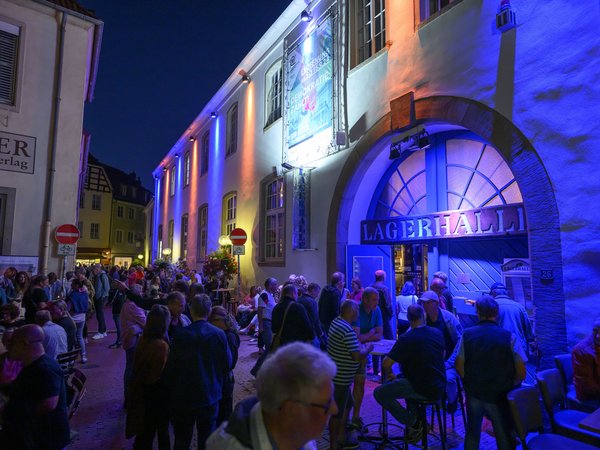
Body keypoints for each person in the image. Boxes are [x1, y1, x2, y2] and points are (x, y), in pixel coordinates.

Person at [207, 342, 338, 450]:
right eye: (326, 404)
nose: (335, 409)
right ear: (291, 411)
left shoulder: (297, 432)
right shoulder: (227, 446)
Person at [456, 295, 526, 450]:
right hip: (500, 395)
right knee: (503, 436)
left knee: (472, 433)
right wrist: (509, 384)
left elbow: (459, 365)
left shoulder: (467, 335)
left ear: (478, 312)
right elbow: (521, 372)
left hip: (475, 392)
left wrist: (468, 382)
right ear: (497, 313)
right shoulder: (509, 337)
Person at [166, 294, 231, 450]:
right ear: (209, 312)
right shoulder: (219, 334)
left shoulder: (180, 335)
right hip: (210, 393)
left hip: (184, 395)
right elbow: (227, 364)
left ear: (191, 310)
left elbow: (171, 367)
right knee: (207, 439)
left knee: (182, 439)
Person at [374, 304, 446, 443]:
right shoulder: (437, 333)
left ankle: (414, 423)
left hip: (420, 386)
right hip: (439, 384)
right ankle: (415, 428)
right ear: (423, 316)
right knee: (405, 381)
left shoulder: (406, 338)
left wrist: (390, 375)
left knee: (380, 393)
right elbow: (442, 355)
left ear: (408, 319)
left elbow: (386, 364)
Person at [0, 324, 70, 449]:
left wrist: (10, 411)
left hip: (46, 439)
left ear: (24, 343)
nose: (8, 347)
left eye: (12, 344)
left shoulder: (45, 368)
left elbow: (49, 404)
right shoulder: (29, 365)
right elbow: (25, 390)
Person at [327, 300, 373, 449]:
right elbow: (356, 356)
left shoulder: (336, 322)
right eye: (357, 311)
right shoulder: (347, 330)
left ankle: (342, 436)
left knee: (349, 404)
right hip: (340, 379)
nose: (358, 314)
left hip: (337, 375)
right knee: (337, 413)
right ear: (352, 312)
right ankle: (334, 444)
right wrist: (368, 348)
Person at [126, 304, 171, 450]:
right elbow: (155, 375)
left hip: (143, 392)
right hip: (155, 395)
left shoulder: (144, 339)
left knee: (145, 433)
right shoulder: (160, 346)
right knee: (159, 431)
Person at [419, 290, 462, 413]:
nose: (424, 306)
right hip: (431, 363)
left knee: (448, 378)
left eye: (427, 303)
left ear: (436, 303)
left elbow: (460, 340)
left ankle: (453, 400)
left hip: (450, 361)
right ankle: (434, 401)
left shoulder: (449, 318)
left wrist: (450, 361)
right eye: (423, 303)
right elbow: (412, 334)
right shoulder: (422, 319)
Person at [350, 287, 383, 433]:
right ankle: (344, 418)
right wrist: (371, 332)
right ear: (365, 299)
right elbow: (357, 337)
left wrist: (366, 335)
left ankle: (355, 417)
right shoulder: (356, 310)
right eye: (374, 299)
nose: (377, 302)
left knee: (359, 384)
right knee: (345, 386)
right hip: (349, 352)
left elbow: (380, 334)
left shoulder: (377, 310)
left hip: (362, 353)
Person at [490, 282, 535, 382]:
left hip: (498, 348)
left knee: (500, 378)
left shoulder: (491, 307)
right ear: (506, 293)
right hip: (518, 348)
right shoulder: (519, 307)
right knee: (518, 378)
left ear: (493, 293)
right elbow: (528, 330)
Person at [209, 306, 241, 426]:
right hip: (223, 379)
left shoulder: (229, 336)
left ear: (219, 320)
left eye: (211, 321)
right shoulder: (225, 334)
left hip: (225, 380)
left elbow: (230, 362)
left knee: (224, 413)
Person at [271, 283, 314, 347]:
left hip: (282, 343)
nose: (297, 295)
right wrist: (311, 338)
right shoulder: (298, 307)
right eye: (297, 293)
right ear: (293, 293)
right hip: (297, 343)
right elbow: (307, 325)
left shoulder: (276, 307)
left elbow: (273, 328)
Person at [250, 278, 277, 377]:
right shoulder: (264, 295)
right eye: (274, 284)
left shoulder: (270, 295)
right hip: (266, 323)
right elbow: (260, 310)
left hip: (269, 323)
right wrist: (260, 325)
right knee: (270, 347)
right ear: (269, 285)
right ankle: (256, 370)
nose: (276, 286)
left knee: (270, 348)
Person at [572, 317, 600, 410]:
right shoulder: (581, 350)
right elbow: (587, 386)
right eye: (595, 331)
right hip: (590, 397)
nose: (598, 336)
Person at [66, 278, 89, 363]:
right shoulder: (85, 294)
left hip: (73, 318)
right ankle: (83, 355)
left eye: (72, 285)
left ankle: (71, 358)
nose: (71, 286)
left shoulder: (73, 295)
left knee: (71, 337)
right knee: (80, 337)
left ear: (76, 285)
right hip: (82, 317)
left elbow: (68, 308)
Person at [298, 282, 326, 350]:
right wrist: (320, 333)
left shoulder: (298, 299)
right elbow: (315, 320)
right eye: (317, 292)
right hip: (311, 334)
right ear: (313, 290)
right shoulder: (312, 302)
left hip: (299, 333)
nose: (317, 295)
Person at [91, 264, 110, 340]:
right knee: (100, 314)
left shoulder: (102, 276)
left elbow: (107, 288)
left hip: (101, 297)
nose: (93, 271)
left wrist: (102, 297)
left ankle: (101, 332)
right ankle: (103, 330)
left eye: (94, 269)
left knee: (100, 315)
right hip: (100, 297)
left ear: (98, 269)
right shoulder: (99, 276)